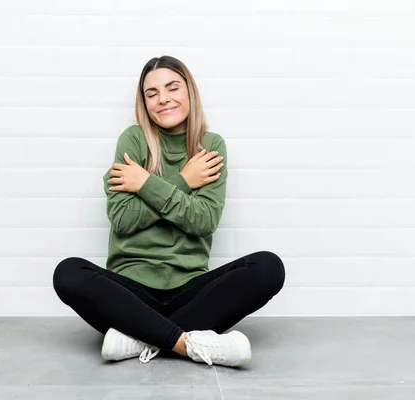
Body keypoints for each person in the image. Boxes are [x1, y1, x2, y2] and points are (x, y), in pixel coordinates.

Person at [53, 55, 285, 367]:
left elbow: (203, 221)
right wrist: (185, 181)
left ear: (189, 91)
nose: (163, 99)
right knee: (68, 273)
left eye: (172, 88)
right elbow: (122, 220)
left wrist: (145, 183)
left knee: (268, 267)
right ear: (144, 102)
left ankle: (139, 336)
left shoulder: (210, 146)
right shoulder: (133, 140)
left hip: (191, 290)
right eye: (152, 93)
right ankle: (187, 343)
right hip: (131, 291)